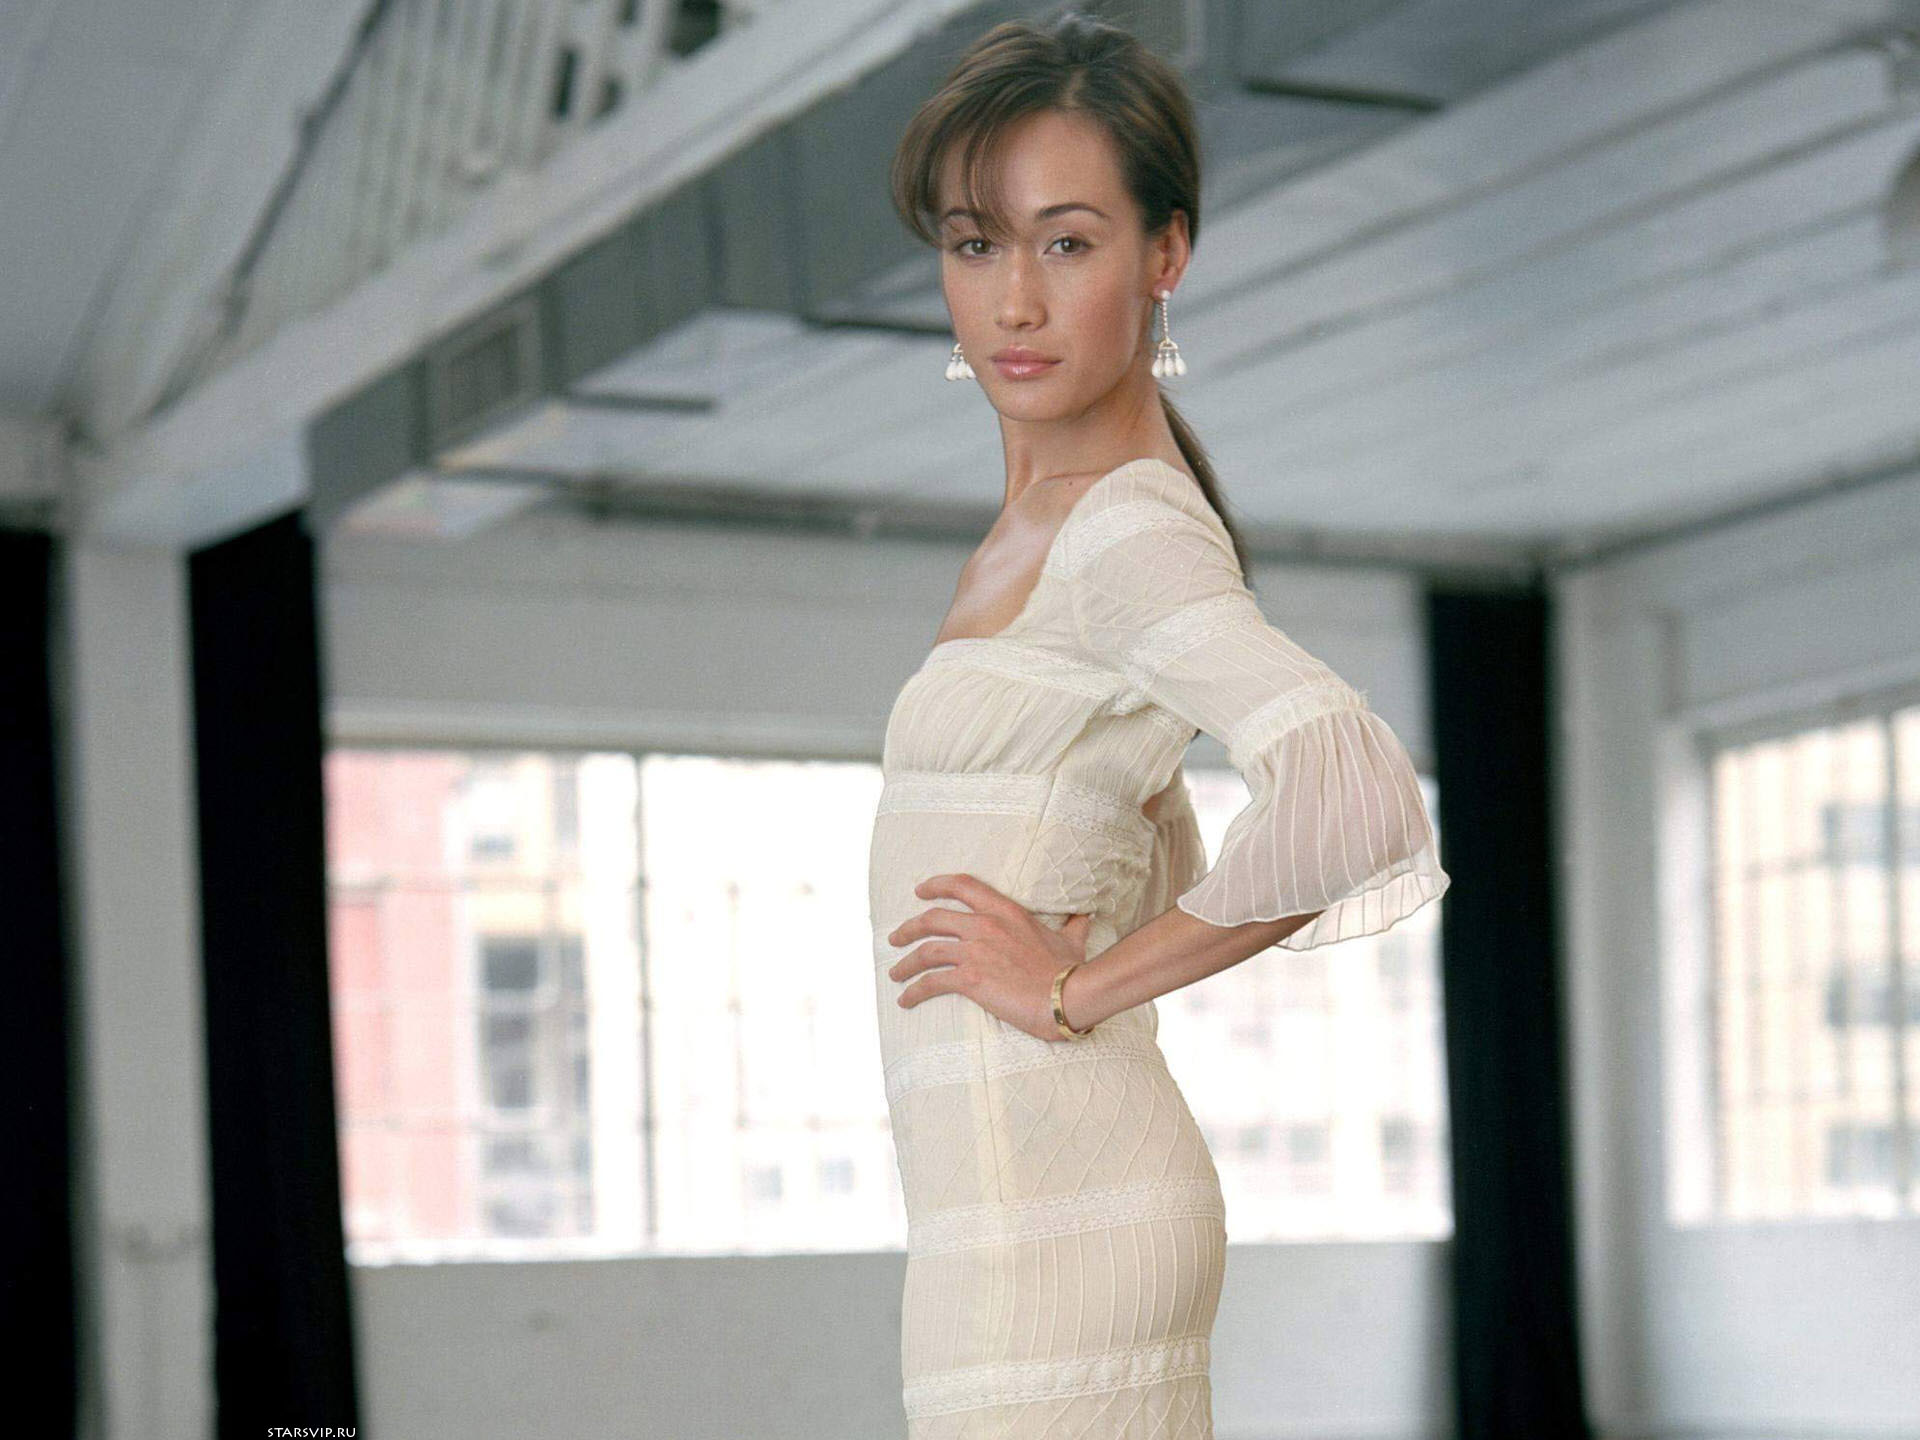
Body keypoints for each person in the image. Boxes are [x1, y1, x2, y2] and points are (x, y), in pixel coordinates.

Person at [871, 13, 1452, 1436]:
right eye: (975, 243)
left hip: (1060, 1208)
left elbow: (1357, 796)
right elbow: (1118, 845)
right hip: (1001, 1205)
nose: (1015, 301)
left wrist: (1074, 991)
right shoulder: (1042, 528)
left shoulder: (1125, 527)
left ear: (1165, 254)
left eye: (1068, 243)